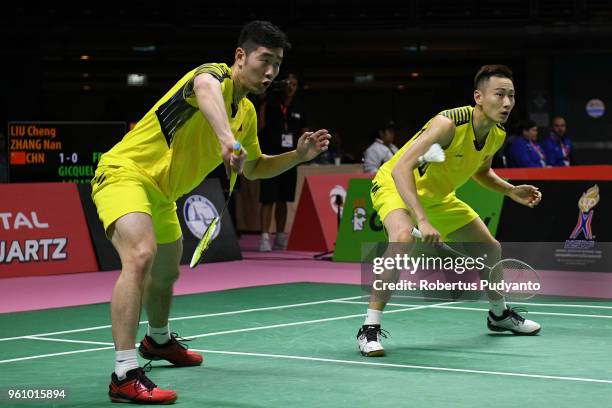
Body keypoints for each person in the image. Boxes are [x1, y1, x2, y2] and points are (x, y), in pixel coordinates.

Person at [91, 21, 330, 403]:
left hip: (164, 193)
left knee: (167, 272)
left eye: (277, 65)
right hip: (124, 173)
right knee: (140, 256)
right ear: (240, 56)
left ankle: (158, 341)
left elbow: (253, 167)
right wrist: (226, 139)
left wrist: (298, 157)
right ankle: (123, 373)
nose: (270, 72)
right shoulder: (210, 76)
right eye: (264, 60)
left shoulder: (248, 112)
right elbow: (206, 92)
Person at [357, 65, 542, 357]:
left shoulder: (495, 134)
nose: (506, 103)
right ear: (479, 96)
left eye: (511, 96)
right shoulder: (448, 123)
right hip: (395, 184)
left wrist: (509, 190)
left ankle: (499, 315)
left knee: (490, 248)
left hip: (439, 195)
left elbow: (482, 171)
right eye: (499, 95)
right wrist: (422, 220)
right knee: (403, 239)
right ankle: (369, 328)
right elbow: (403, 166)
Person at [257, 72, 307, 251]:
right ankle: (264, 237)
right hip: (270, 157)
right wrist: (263, 101)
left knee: (283, 199)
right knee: (268, 199)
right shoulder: (270, 104)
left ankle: (279, 236)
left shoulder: (299, 107)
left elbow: (304, 131)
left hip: (290, 159)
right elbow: (259, 126)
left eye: (294, 84)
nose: (291, 87)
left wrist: (305, 150)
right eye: (288, 84)